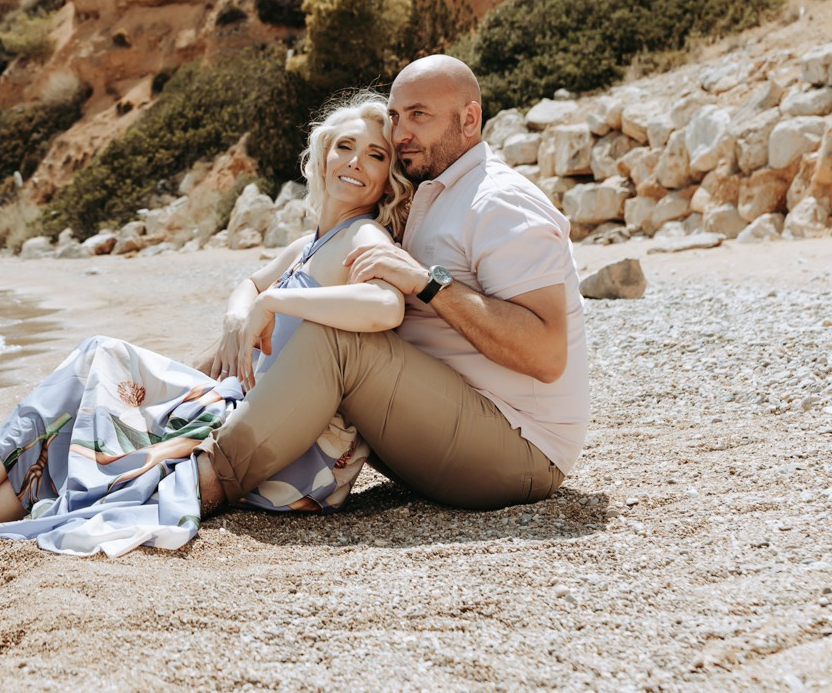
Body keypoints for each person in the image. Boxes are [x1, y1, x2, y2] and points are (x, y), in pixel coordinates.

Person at [0, 93, 412, 557]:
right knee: (87, 415)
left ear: (389, 178)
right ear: (321, 157)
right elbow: (250, 282)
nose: (356, 162)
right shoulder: (307, 244)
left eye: (376, 155)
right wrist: (240, 312)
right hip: (250, 413)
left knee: (102, 361)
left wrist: (277, 306)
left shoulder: (364, 238)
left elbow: (385, 306)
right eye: (345, 146)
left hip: (292, 453)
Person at [194, 54, 589, 516]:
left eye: (418, 115)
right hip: (441, 416)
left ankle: (204, 481)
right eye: (397, 116)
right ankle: (181, 435)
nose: (401, 133)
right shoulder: (432, 195)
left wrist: (427, 283)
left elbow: (546, 354)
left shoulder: (498, 200)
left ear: (469, 119)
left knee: (337, 339)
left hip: (520, 448)